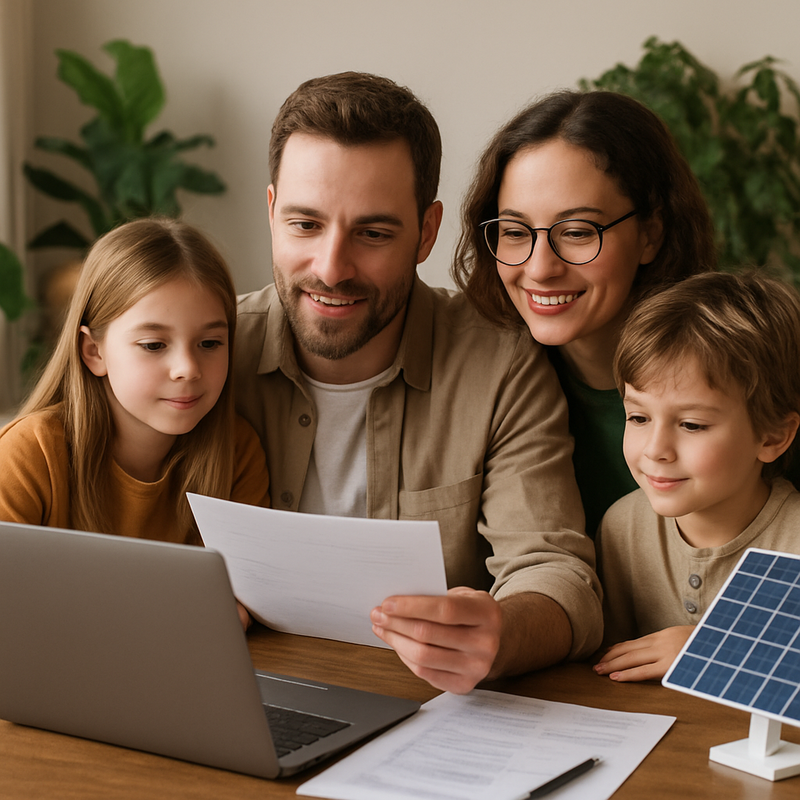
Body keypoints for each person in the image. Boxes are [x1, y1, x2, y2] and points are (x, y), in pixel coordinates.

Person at [234, 71, 601, 694]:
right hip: (243, 693)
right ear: (271, 212)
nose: (331, 268)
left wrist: (502, 634)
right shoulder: (209, 355)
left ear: (426, 232)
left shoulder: (500, 362)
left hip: (429, 717)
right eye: (304, 225)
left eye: (373, 233)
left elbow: (556, 573)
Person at [452, 90, 717, 535]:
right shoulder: (483, 372)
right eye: (515, 231)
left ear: (650, 234)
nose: (539, 268)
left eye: (576, 232)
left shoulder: (745, 372)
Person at [0, 218, 271, 627]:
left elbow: (244, 602)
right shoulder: (29, 454)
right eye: (154, 345)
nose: (187, 368)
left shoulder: (237, 450)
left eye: (210, 343)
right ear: (94, 351)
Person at [593, 271, 800, 682]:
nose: (655, 449)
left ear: (773, 436)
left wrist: (708, 649)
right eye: (638, 417)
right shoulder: (623, 527)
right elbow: (606, 667)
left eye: (691, 425)